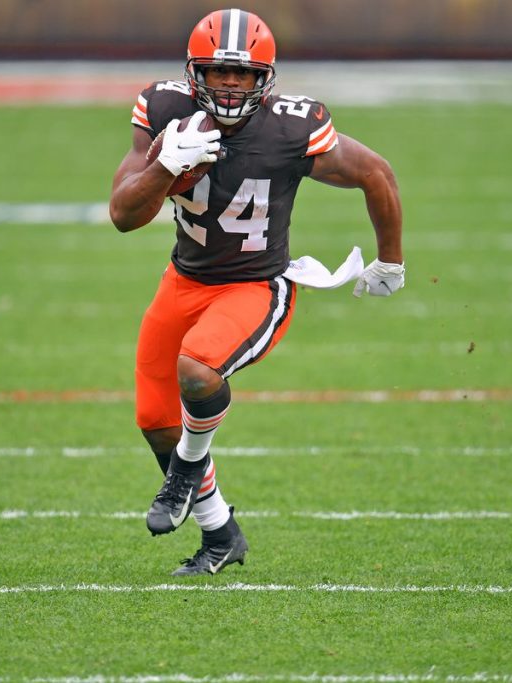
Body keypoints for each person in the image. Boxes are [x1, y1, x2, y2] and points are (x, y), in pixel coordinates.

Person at [109, 8, 404, 576]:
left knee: (196, 371)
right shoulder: (166, 111)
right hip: (184, 279)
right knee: (155, 417)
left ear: (264, 79)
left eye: (242, 75)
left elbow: (377, 173)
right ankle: (221, 535)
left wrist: (390, 260)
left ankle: (186, 474)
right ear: (194, 73)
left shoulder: (292, 127)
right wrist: (164, 166)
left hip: (254, 284)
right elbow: (124, 214)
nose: (229, 84)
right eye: (219, 71)